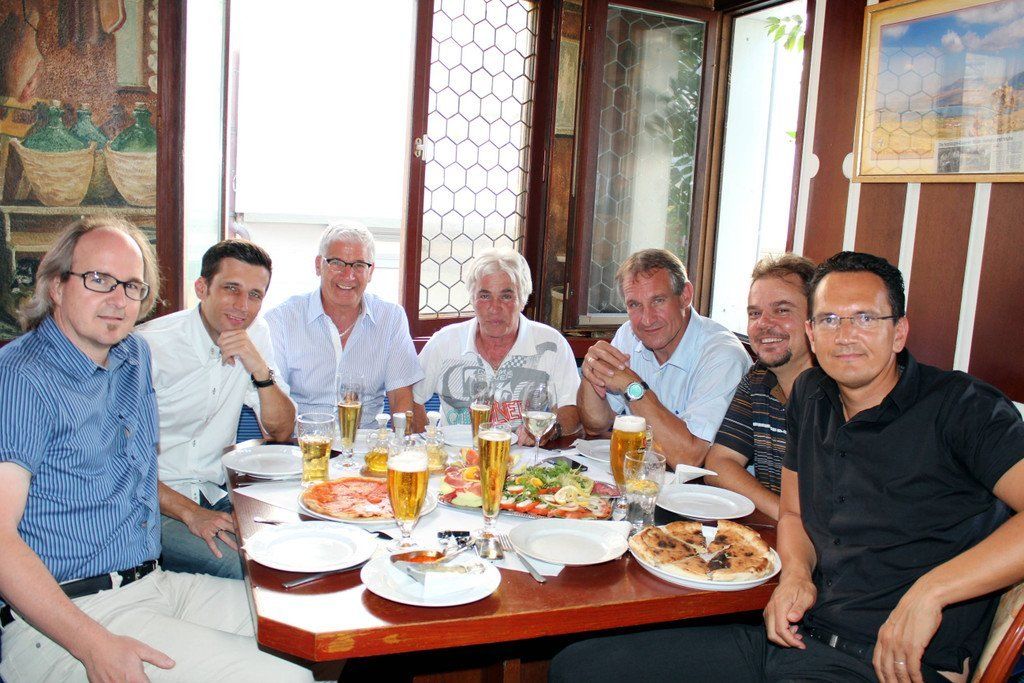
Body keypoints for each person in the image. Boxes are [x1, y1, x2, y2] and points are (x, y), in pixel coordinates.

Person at [549, 251, 1024, 683]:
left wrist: (933, 591)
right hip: (794, 638)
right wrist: (796, 573)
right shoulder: (811, 399)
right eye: (830, 319)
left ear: (899, 331)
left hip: (890, 665)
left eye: (865, 318)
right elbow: (794, 513)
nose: (845, 335)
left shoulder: (962, 407)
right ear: (813, 332)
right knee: (578, 667)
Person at [0, 217, 312, 682]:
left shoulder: (131, 357)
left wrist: (192, 513)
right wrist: (93, 646)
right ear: (56, 285)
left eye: (131, 286)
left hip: (149, 582)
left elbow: (138, 468)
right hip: (66, 613)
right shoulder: (21, 376)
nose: (118, 299)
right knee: (286, 676)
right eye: (98, 279)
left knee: (308, 624)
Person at [136, 240, 294, 579]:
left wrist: (259, 369)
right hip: (153, 505)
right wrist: (192, 513)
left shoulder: (256, 333)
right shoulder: (147, 346)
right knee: (250, 569)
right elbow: (122, 463)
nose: (243, 306)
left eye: (255, 295)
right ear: (201, 288)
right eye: (231, 289)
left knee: (295, 544)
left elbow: (281, 431)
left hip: (216, 492)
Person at [577, 248, 751, 468]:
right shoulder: (628, 335)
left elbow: (688, 458)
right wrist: (591, 373)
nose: (647, 320)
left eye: (658, 301)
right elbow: (595, 425)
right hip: (646, 478)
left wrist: (633, 387)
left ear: (685, 296)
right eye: (634, 305)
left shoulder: (723, 355)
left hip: (706, 487)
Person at [414, 248, 580, 444]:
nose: (494, 308)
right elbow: (412, 400)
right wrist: (429, 445)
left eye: (506, 296)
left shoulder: (552, 344)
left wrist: (550, 431)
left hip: (524, 459)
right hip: (457, 458)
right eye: (485, 296)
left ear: (523, 300)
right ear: (472, 299)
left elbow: (572, 410)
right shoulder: (444, 343)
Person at [265, 221, 422, 426]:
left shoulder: (391, 318)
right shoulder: (281, 320)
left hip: (367, 442)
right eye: (337, 263)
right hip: (304, 442)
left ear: (371, 271)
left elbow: (401, 399)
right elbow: (272, 407)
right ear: (318, 265)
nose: (348, 275)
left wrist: (400, 442)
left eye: (359, 265)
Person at [705, 253, 816, 520]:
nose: (763, 324)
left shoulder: (841, 391)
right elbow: (719, 463)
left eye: (782, 310)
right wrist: (785, 515)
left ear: (815, 319)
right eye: (755, 313)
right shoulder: (758, 378)